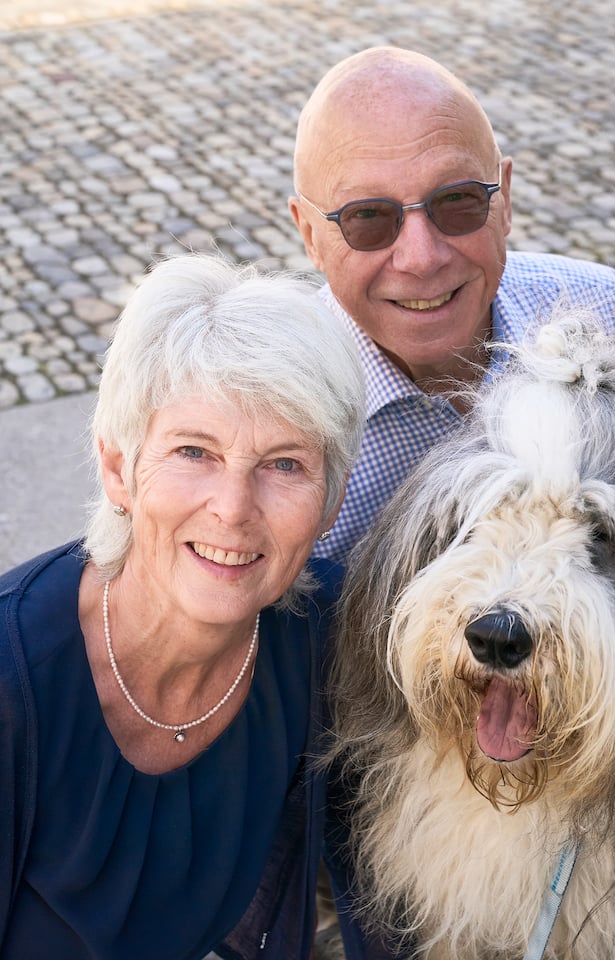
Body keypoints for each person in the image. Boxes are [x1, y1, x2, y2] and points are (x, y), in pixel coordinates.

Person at [0, 254, 365, 960]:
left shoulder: (316, 641)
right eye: (194, 451)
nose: (232, 510)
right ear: (118, 468)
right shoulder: (14, 690)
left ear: (333, 500)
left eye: (284, 464)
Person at [289, 45, 615, 565]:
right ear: (310, 235)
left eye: (456, 201)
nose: (421, 259)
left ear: (505, 199)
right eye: (369, 218)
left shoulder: (599, 308)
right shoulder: (277, 404)